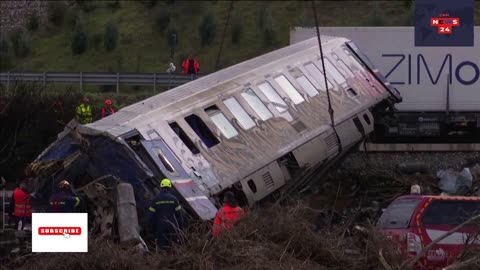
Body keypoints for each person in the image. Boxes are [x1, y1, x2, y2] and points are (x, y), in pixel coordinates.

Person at [148, 178, 184, 249]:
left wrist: (151, 229)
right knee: (172, 245)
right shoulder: (174, 199)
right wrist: (180, 227)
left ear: (161, 187)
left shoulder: (155, 199)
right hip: (172, 225)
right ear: (170, 187)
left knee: (162, 246)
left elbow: (150, 216)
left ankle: (163, 258)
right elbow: (179, 215)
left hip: (160, 226)